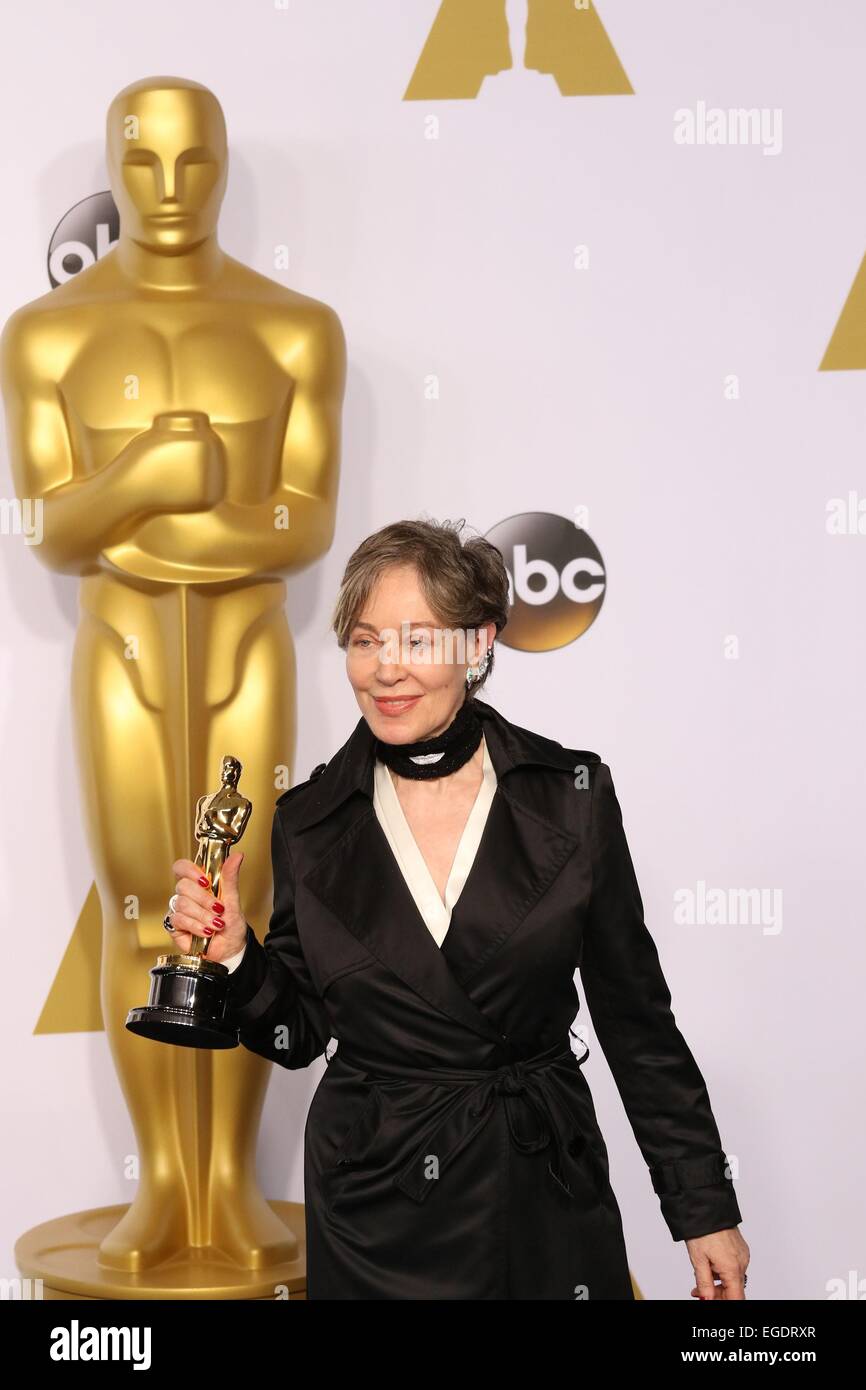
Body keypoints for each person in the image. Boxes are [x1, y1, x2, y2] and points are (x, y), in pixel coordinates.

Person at [166, 517, 750, 1300]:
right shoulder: (308, 820)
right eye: (365, 641)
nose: (385, 670)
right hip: (376, 1208)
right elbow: (297, 1034)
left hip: (539, 1188)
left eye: (416, 640)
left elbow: (637, 1023)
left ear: (478, 646)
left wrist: (703, 1209)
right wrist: (236, 952)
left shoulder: (571, 796)